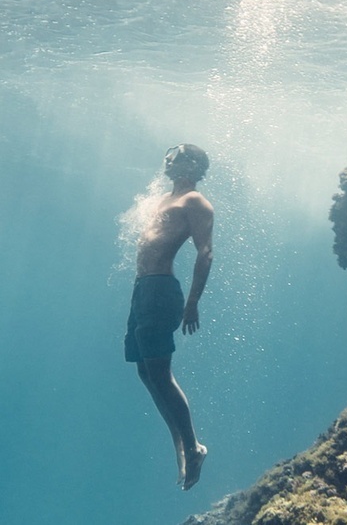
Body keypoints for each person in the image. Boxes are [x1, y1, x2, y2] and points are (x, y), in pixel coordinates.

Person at [124, 143, 213, 491]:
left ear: (192, 165)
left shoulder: (195, 202)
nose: (169, 160)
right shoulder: (162, 200)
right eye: (169, 155)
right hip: (143, 289)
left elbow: (205, 252)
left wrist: (192, 302)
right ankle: (180, 442)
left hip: (162, 289)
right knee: (145, 370)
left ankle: (192, 446)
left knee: (160, 372)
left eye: (177, 156)